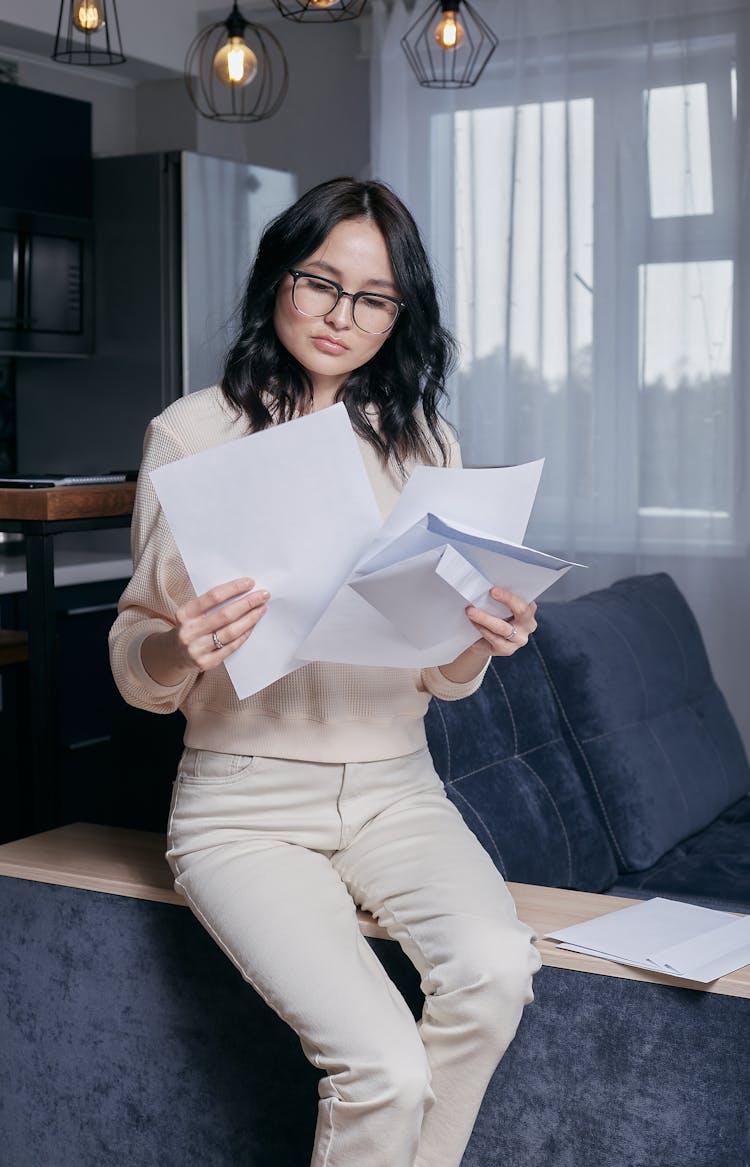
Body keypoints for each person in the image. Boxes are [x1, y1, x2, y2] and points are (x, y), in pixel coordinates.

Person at [109, 177, 542, 1167]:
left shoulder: (427, 444)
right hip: (243, 805)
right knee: (382, 1068)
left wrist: (480, 637)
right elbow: (136, 668)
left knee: (495, 968)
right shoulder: (191, 435)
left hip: (399, 791)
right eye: (320, 282)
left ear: (402, 313)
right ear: (278, 281)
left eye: (375, 297)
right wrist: (186, 644)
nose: (343, 316)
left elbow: (441, 676)